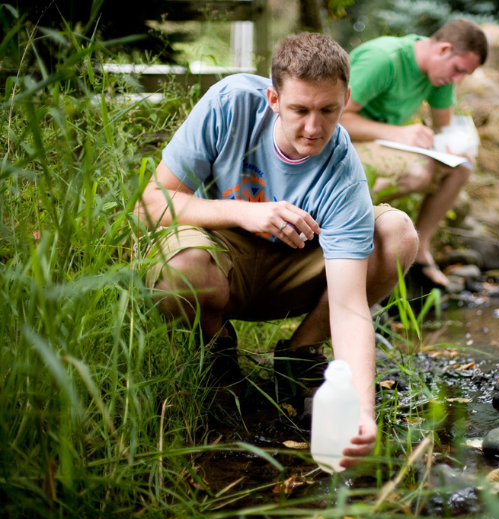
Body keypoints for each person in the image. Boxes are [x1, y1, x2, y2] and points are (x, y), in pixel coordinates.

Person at [136, 33, 418, 469]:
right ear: (273, 98)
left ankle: (297, 357)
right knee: (181, 270)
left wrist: (361, 409)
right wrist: (244, 214)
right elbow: (152, 203)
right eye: (299, 110)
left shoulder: (343, 172)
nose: (313, 128)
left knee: (397, 233)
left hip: (297, 265)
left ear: (346, 98)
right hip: (223, 250)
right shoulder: (230, 105)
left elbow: (349, 306)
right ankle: (217, 354)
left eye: (328, 110)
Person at [340, 19, 488, 287]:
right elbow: (333, 119)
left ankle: (420, 251)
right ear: (443, 49)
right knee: (419, 170)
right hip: (338, 146)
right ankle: (347, 234)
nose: (457, 80)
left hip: (379, 145)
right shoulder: (384, 59)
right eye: (457, 70)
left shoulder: (440, 76)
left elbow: (445, 128)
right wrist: (396, 133)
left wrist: (453, 144)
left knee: (463, 164)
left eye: (464, 74)